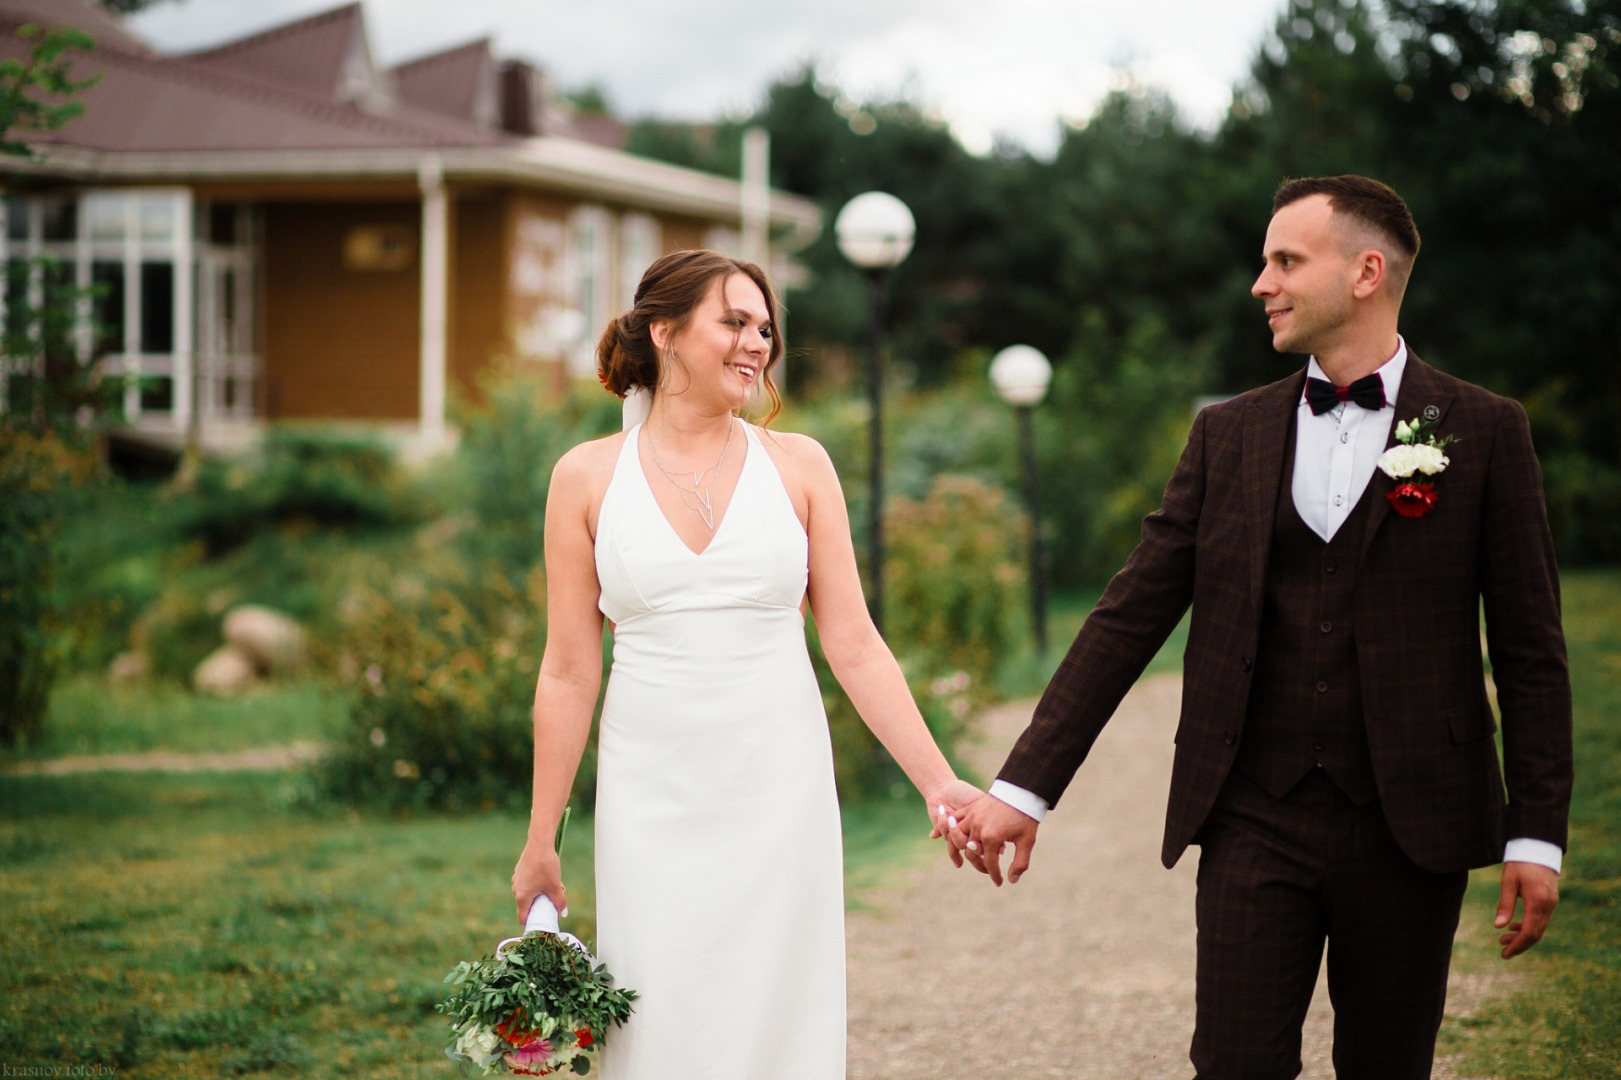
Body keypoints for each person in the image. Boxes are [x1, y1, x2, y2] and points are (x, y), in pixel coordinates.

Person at [948, 175, 1572, 1079]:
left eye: (1285, 260)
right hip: (1251, 814)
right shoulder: (1226, 437)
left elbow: (1530, 654)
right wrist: (1022, 789)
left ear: (1365, 271)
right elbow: (1128, 617)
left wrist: (1534, 834)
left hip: (1413, 825)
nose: (1260, 282)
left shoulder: (1481, 431)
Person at [510, 249, 980, 1080]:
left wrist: (939, 783)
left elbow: (854, 643)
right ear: (664, 331)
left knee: (779, 1006)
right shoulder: (584, 477)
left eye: (765, 327)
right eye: (733, 321)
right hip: (648, 788)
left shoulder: (798, 465)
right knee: (654, 1002)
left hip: (778, 784)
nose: (756, 343)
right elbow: (568, 671)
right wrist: (541, 837)